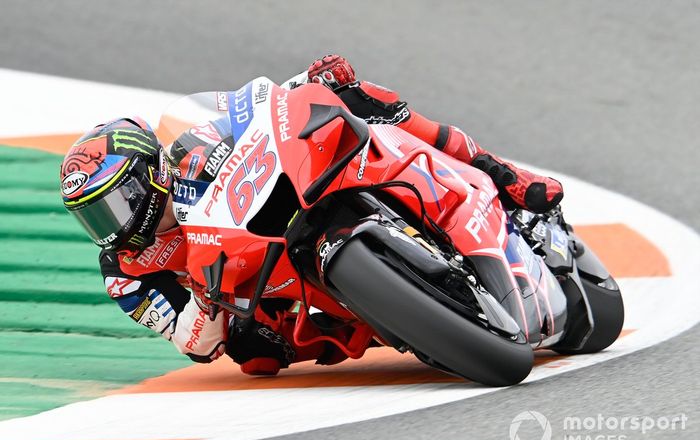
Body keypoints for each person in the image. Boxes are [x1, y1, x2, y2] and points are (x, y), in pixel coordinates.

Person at [59, 55, 563, 376]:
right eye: (95, 218)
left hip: (279, 198)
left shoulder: (190, 142)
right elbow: (193, 342)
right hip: (245, 277)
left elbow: (258, 107)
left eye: (114, 204)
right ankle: (379, 321)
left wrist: (307, 81)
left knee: (354, 94)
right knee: (254, 356)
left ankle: (502, 173)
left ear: (148, 174)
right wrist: (207, 311)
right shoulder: (125, 272)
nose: (111, 227)